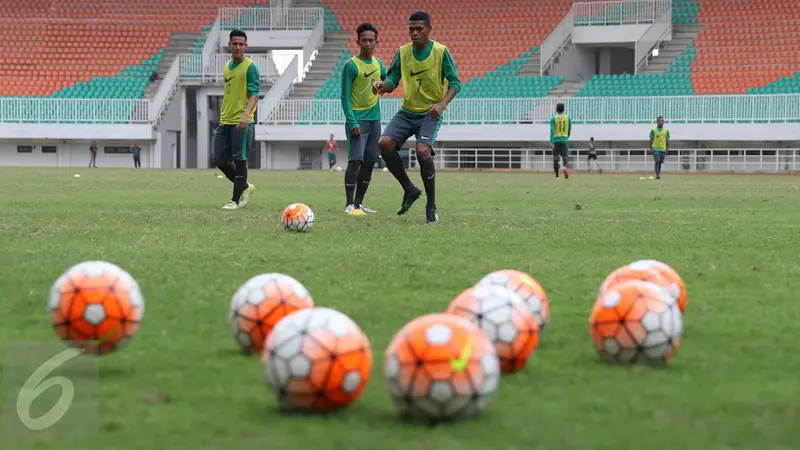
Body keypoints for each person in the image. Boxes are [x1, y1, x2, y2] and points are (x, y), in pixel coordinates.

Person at [372, 11, 461, 224]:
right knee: (384, 143)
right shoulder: (403, 52)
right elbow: (393, 78)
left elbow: (455, 83)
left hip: (430, 112)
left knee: (422, 151)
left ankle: (431, 207)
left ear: (429, 29)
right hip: (407, 111)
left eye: (419, 28)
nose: (414, 33)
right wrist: (383, 85)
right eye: (411, 29)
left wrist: (441, 104)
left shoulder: (441, 52)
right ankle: (410, 189)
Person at [341, 22, 386, 216]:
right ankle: (349, 204)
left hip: (375, 120)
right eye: (364, 40)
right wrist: (352, 122)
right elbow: (344, 97)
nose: (368, 44)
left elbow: (388, 80)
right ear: (358, 42)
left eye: (371, 40)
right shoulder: (350, 65)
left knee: (369, 162)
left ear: (377, 42)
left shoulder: (379, 64)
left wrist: (383, 85)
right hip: (357, 121)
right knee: (355, 161)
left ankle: (359, 204)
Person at [211, 29, 259, 210]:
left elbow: (255, 95)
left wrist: (246, 115)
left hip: (242, 122)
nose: (238, 47)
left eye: (241, 44)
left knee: (240, 160)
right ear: (229, 45)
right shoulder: (226, 66)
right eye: (234, 43)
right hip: (225, 120)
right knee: (219, 160)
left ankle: (234, 200)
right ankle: (245, 187)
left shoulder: (250, 67)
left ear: (246, 46)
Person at [550, 102, 571, 180]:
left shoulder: (553, 118)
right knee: (565, 157)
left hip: (556, 140)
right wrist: (566, 137)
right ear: (563, 109)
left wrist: (552, 142)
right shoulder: (568, 118)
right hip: (564, 139)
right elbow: (569, 130)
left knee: (555, 158)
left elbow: (552, 131)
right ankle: (564, 167)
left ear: (556, 109)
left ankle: (557, 176)